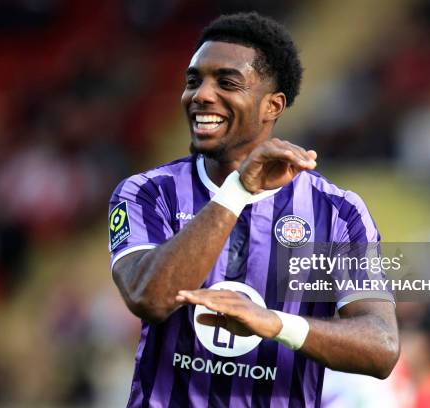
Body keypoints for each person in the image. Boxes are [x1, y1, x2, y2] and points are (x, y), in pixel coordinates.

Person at [109, 12, 399, 407]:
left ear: (271, 106)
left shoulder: (337, 212)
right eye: (194, 80)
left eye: (226, 82)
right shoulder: (148, 193)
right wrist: (236, 192)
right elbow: (151, 298)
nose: (201, 95)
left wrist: (278, 324)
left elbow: (381, 346)